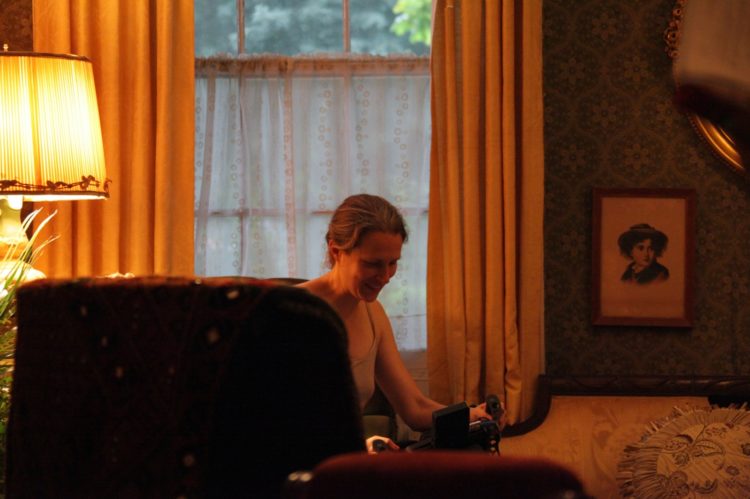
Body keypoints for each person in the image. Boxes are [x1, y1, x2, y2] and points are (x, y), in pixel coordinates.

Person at [298, 194, 497, 452]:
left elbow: (414, 407)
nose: (385, 277)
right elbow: (269, 420)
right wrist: (360, 446)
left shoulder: (373, 314)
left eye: (392, 263)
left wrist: (473, 416)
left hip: (346, 457)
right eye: (373, 264)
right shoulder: (289, 310)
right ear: (336, 251)